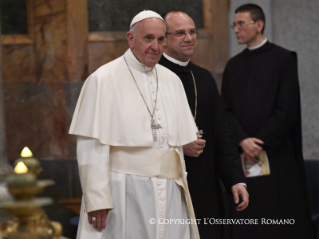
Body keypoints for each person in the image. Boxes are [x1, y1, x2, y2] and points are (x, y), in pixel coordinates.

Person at [69, 10, 201, 239]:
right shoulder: (103, 79)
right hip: (123, 191)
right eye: (148, 38)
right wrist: (97, 198)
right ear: (131, 39)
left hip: (170, 193)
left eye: (161, 39)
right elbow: (90, 144)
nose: (155, 46)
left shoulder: (172, 81)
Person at [221, 3, 313, 239]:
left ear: (259, 25)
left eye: (241, 24)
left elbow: (286, 110)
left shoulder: (283, 59)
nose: (236, 30)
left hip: (275, 154)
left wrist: (257, 143)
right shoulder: (233, 66)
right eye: (234, 25)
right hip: (244, 157)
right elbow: (226, 111)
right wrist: (243, 141)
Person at [158, 11, 249, 239]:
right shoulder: (152, 76)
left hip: (204, 183)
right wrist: (178, 146)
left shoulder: (204, 77)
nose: (188, 38)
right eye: (180, 33)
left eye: (192, 32)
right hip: (165, 186)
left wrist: (235, 179)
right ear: (164, 38)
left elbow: (221, 133)